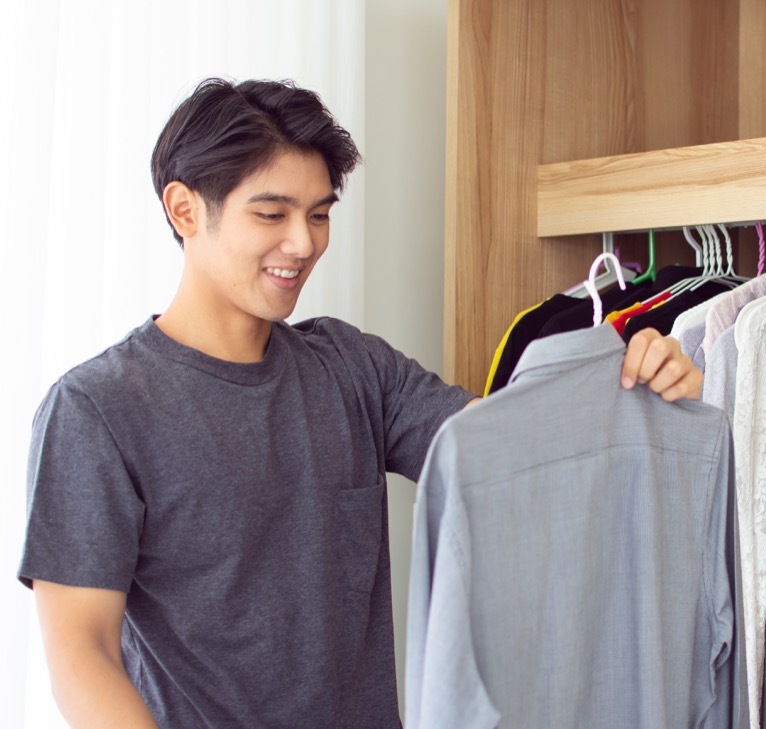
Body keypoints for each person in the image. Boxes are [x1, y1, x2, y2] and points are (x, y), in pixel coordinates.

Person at [18, 77, 702, 728]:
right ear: (184, 208)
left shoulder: (350, 367)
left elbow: (517, 449)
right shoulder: (96, 409)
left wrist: (645, 383)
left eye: (319, 214)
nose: (304, 242)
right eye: (272, 213)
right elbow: (82, 654)